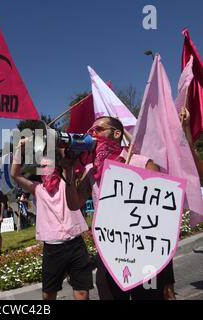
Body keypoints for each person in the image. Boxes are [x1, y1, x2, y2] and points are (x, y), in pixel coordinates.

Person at [63, 116, 176, 300]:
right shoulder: (91, 170)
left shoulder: (141, 163)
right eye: (91, 131)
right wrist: (68, 170)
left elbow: (162, 214)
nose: (93, 134)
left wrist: (167, 275)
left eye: (99, 129)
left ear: (117, 134)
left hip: (142, 253)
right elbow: (74, 204)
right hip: (108, 253)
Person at [11, 139, 93, 300]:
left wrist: (59, 145)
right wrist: (19, 151)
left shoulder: (67, 182)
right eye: (41, 167)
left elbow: (72, 161)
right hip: (53, 248)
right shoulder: (37, 189)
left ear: (57, 167)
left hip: (75, 243)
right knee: (48, 294)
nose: (45, 169)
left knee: (82, 291)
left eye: (49, 165)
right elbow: (15, 174)